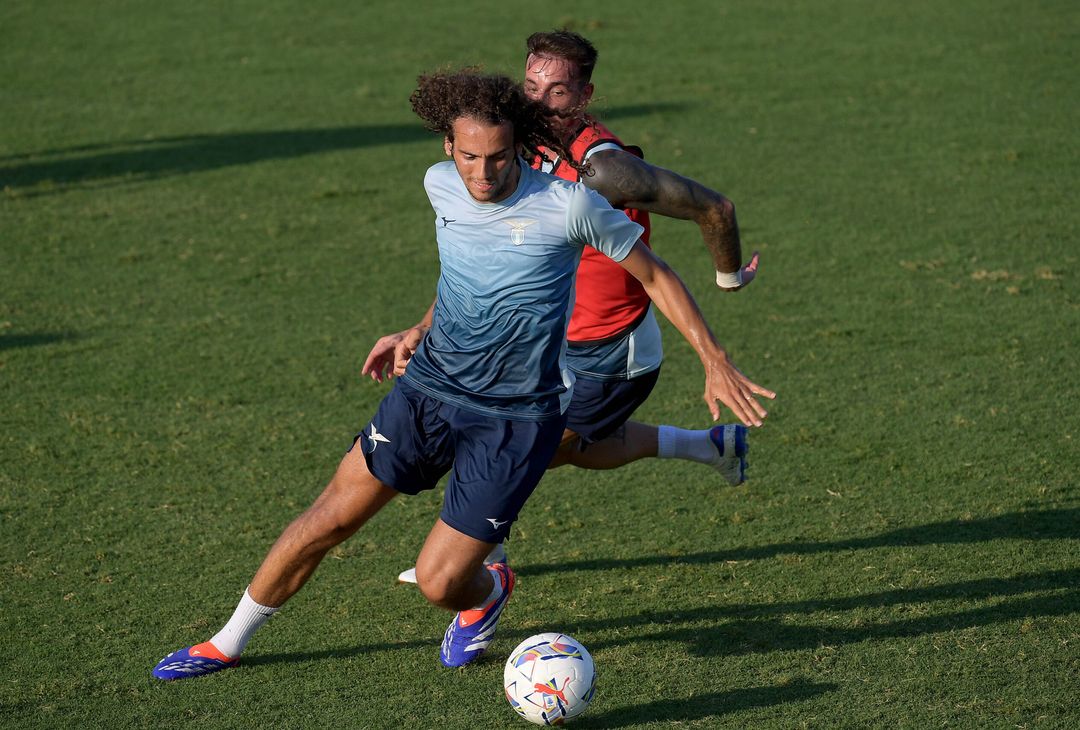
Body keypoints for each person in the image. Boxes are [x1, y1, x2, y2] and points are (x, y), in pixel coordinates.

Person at [151, 70, 775, 681]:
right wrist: (416, 330)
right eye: (470, 156)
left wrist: (713, 358)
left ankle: (489, 586)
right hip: (429, 391)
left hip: (517, 419)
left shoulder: (570, 206)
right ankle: (226, 641)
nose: (483, 174)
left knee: (440, 582)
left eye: (499, 157)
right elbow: (465, 272)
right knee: (328, 520)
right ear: (449, 146)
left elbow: (656, 274)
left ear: (519, 146)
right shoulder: (439, 185)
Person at [364, 31, 765, 582]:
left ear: (583, 96)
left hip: (605, 353)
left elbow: (713, 208)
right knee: (552, 447)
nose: (536, 101)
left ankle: (480, 575)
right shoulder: (509, 150)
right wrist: (423, 324)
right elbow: (489, 259)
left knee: (515, 451)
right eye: (530, 86)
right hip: (538, 346)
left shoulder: (606, 171)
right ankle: (709, 447)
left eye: (556, 91)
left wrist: (727, 282)